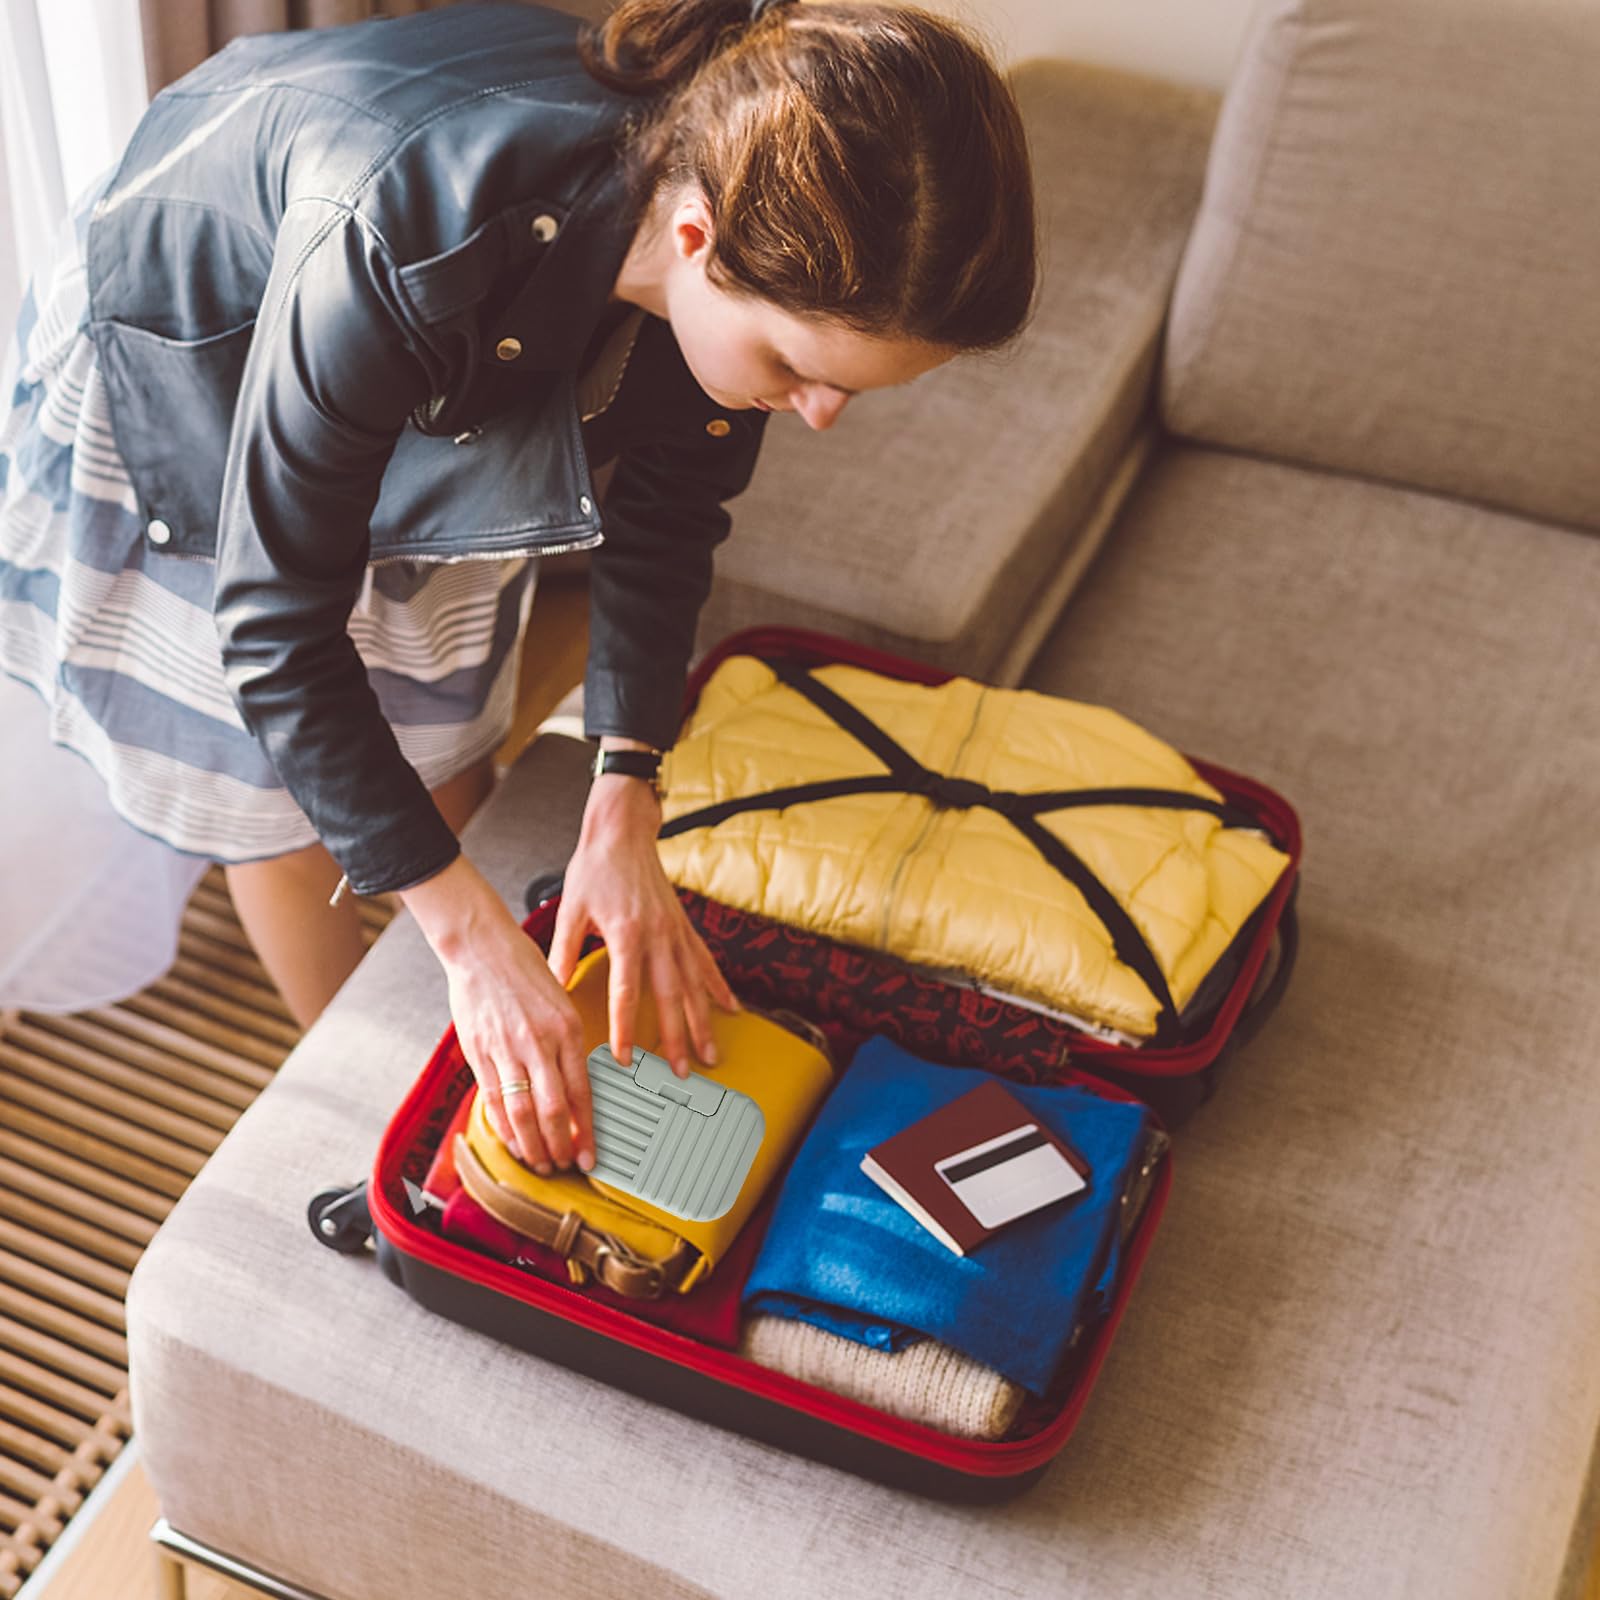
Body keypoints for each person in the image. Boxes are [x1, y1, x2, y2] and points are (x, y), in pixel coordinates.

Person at [0, 0, 1036, 1178]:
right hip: (206, 337)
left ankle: (472, 1000)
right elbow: (277, 629)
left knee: (442, 742)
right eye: (796, 368)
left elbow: (668, 521)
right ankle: (378, 1096)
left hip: (406, 346)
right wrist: (464, 938)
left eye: (849, 388)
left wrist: (625, 795)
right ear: (694, 240)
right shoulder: (407, 233)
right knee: (281, 807)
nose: (820, 414)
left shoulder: (728, 226)